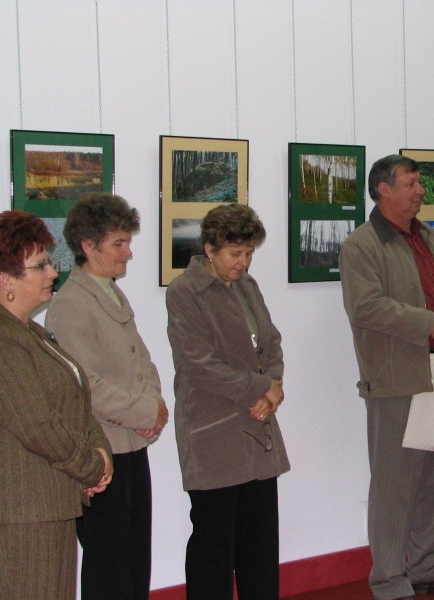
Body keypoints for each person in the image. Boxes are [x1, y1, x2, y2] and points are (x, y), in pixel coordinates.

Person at [339, 154, 434, 600]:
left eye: (420, 183)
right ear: (384, 190)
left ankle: (428, 567)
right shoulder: (361, 245)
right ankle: (389, 581)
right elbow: (366, 307)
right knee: (394, 486)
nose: (421, 191)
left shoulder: (427, 234)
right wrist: (430, 324)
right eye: (412, 183)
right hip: (396, 380)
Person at [0, 210, 113, 600]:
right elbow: (38, 426)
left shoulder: (29, 332)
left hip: (46, 505)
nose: (52, 273)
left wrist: (101, 451)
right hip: (20, 514)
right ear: (5, 279)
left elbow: (74, 400)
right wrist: (91, 467)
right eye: (40, 265)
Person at [45, 193, 168, 599]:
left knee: (135, 562)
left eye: (127, 242)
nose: (129, 252)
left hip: (131, 448)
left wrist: (154, 405)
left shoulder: (111, 292)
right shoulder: (70, 304)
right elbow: (84, 385)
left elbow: (142, 360)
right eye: (119, 243)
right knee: (109, 569)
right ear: (88, 246)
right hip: (101, 455)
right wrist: (146, 411)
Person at [165, 203, 289, 600]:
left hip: (257, 424)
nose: (244, 262)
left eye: (249, 253)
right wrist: (260, 387)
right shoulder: (185, 292)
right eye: (235, 253)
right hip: (211, 430)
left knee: (260, 545)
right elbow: (198, 364)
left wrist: (273, 385)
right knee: (213, 547)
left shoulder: (248, 285)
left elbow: (271, 342)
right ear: (209, 248)